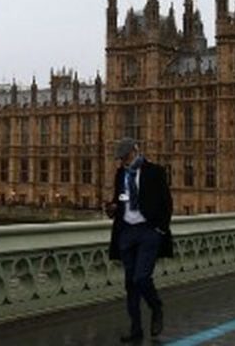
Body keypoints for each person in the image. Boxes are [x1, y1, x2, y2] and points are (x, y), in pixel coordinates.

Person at [104, 137, 173, 343]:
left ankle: (156, 307)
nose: (123, 161)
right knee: (130, 285)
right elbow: (120, 200)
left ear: (136, 151)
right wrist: (113, 208)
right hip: (126, 232)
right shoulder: (121, 174)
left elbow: (166, 203)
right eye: (121, 158)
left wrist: (160, 229)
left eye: (125, 156)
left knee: (141, 278)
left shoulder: (155, 172)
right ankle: (136, 330)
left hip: (148, 232)